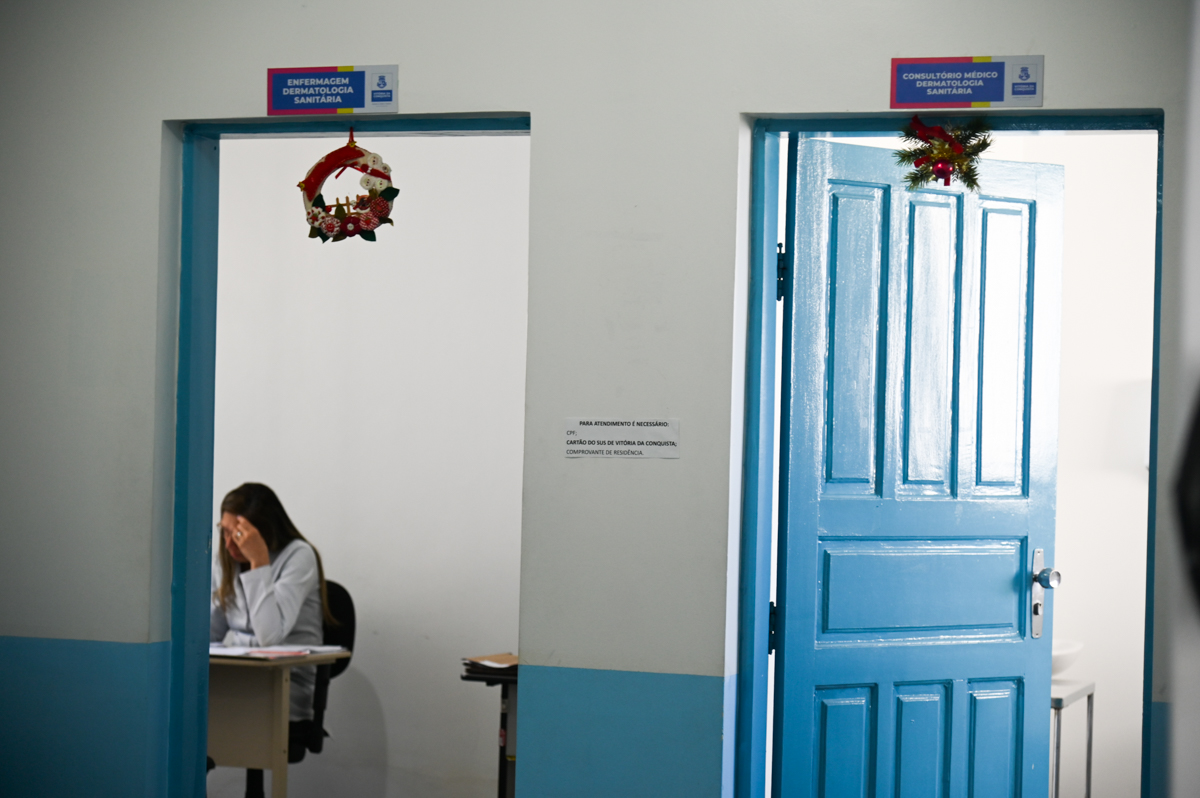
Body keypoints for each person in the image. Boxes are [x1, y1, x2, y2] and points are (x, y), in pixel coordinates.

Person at [210, 482, 336, 773]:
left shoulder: (299, 556)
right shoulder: (226, 560)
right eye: (224, 532)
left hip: (286, 684)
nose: (229, 545)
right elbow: (210, 633)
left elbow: (269, 636)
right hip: (239, 677)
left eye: (239, 536)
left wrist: (258, 561)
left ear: (263, 533)